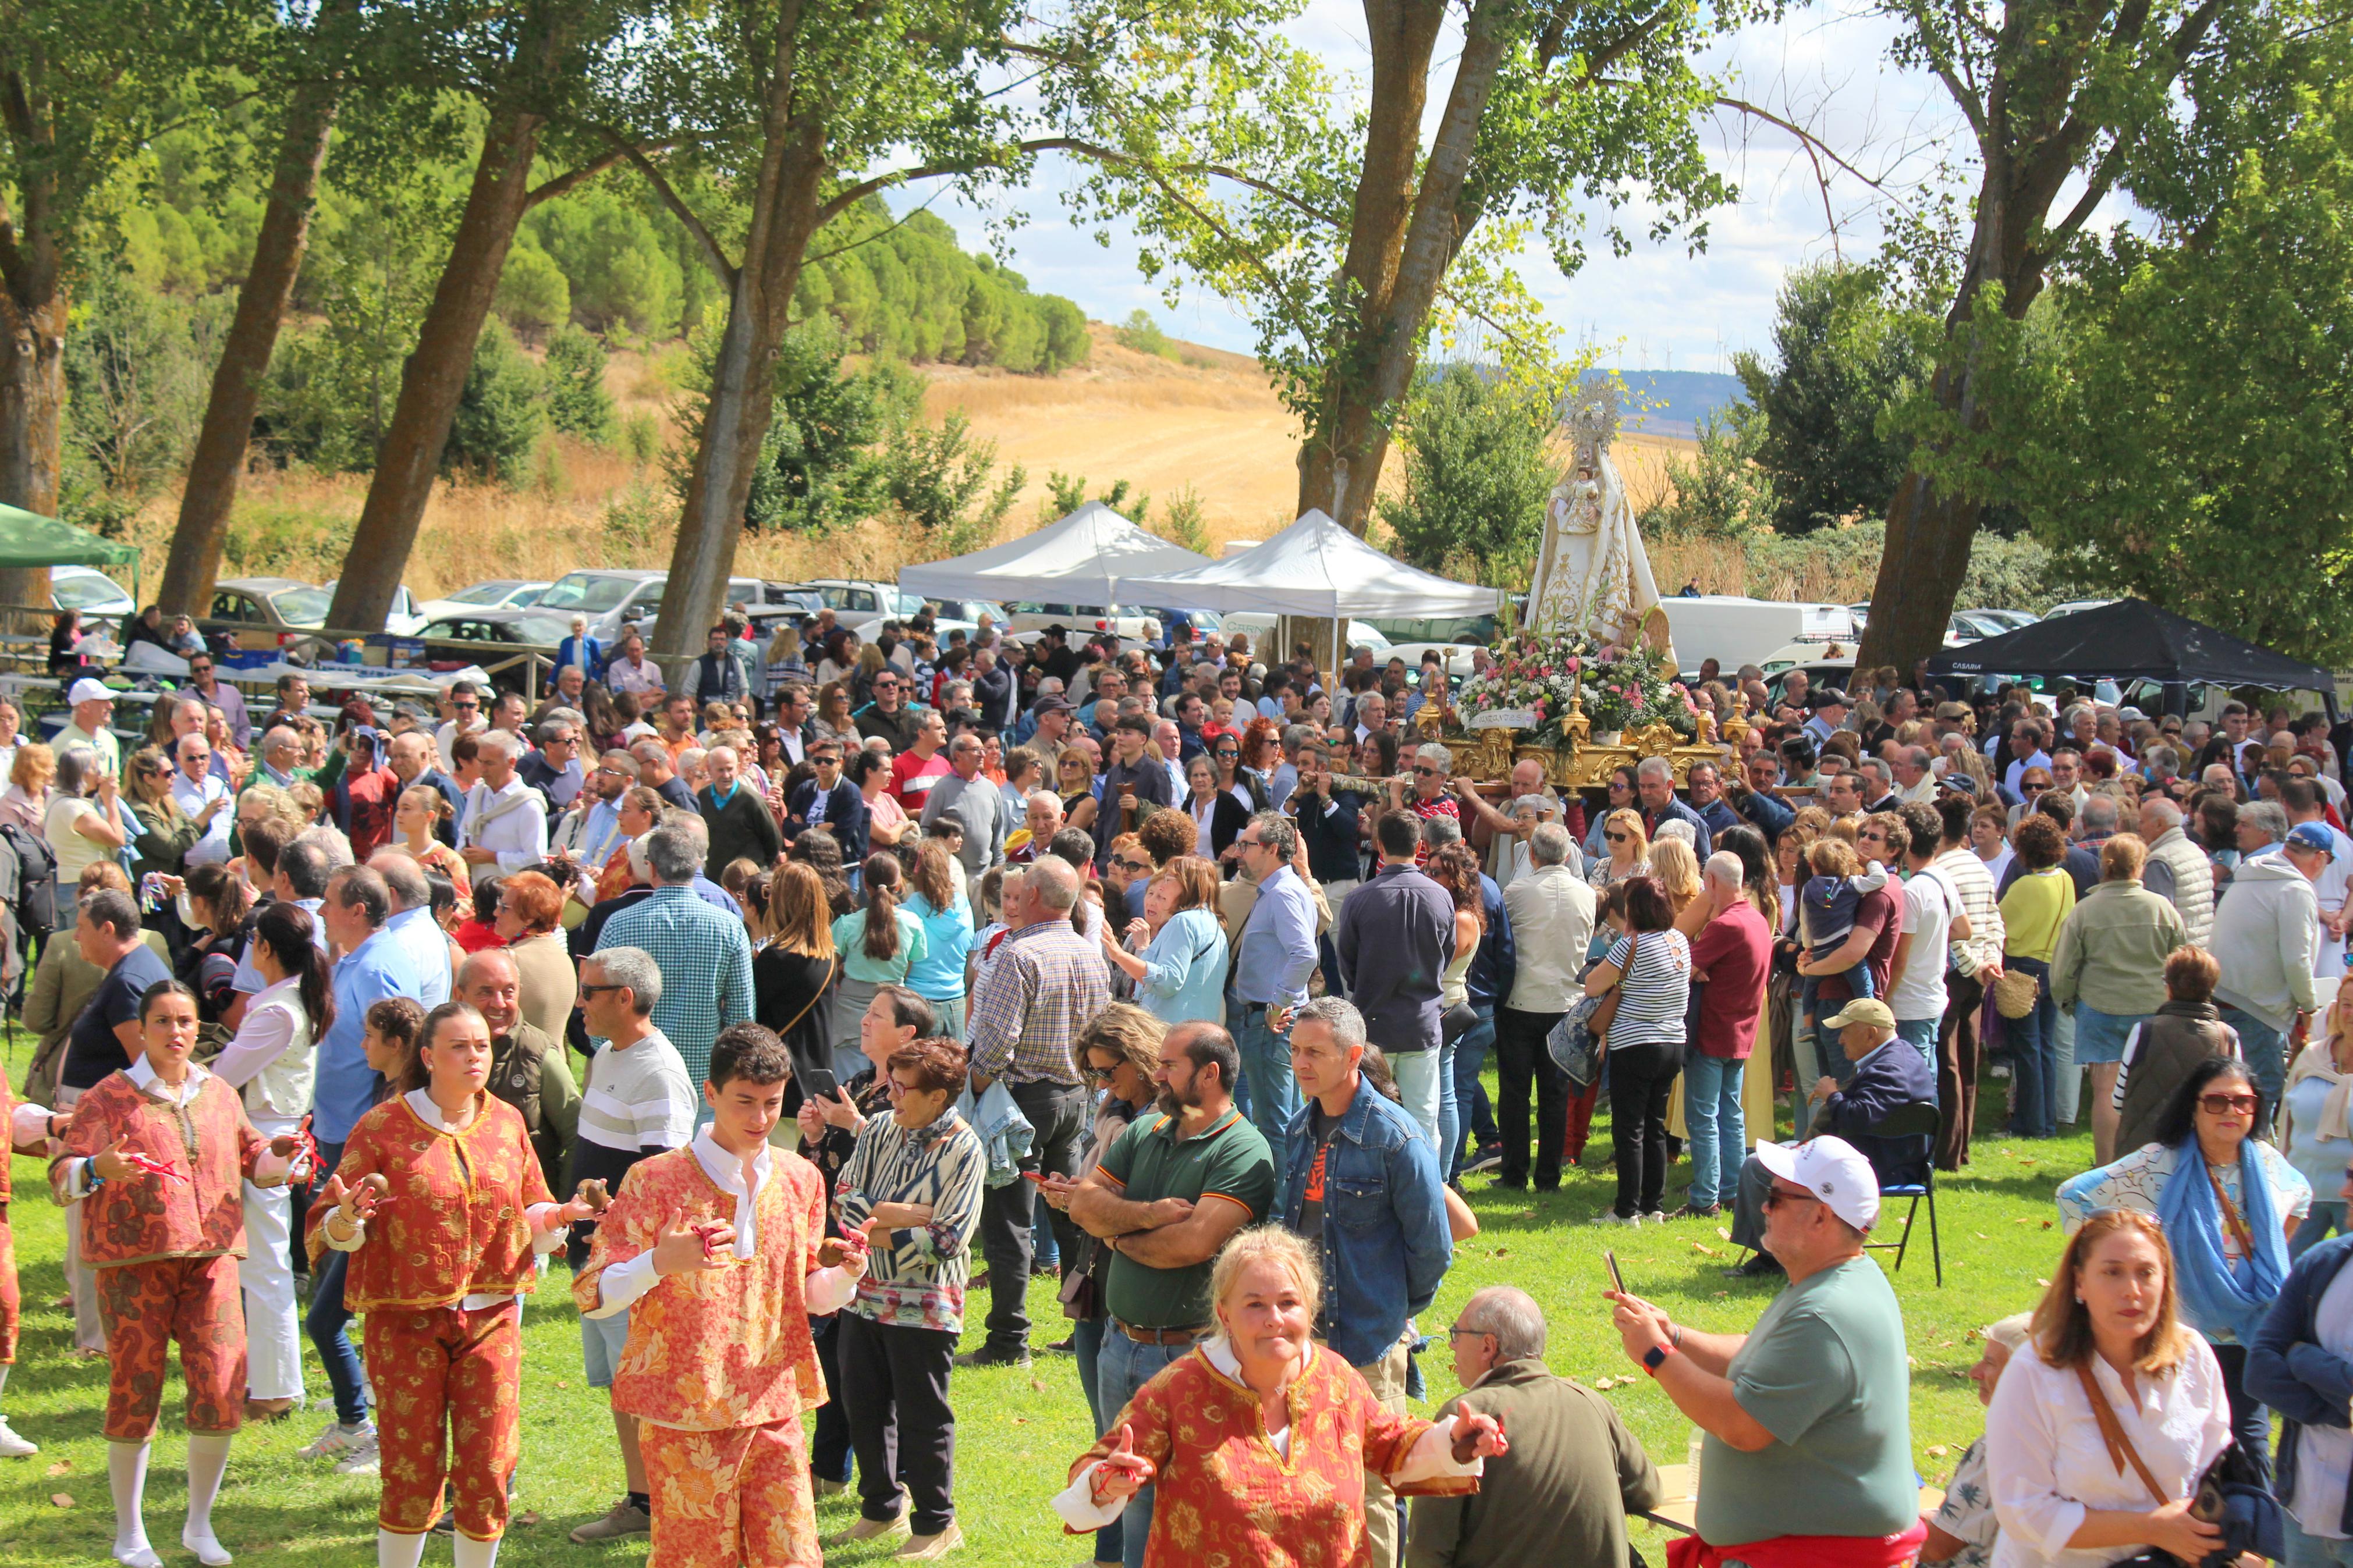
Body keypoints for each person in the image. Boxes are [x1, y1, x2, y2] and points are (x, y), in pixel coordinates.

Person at [314, 1001, 597, 1567]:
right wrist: (347, 1218)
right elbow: (331, 1227)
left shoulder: (507, 1122)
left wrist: (562, 1216)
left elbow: (530, 1214)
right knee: (411, 1470)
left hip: (491, 1318)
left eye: (482, 1046)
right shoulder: (382, 1127)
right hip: (404, 1322)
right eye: (459, 1046)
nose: (474, 1056)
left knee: (489, 1467)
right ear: (427, 1056)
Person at [576, 1023, 865, 1567]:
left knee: (794, 1556)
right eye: (745, 1102)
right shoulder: (653, 1180)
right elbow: (594, 1293)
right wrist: (660, 1261)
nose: (759, 1119)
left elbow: (806, 1295)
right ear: (710, 1094)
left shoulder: (801, 1178)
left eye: (772, 1103)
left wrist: (849, 1275)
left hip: (773, 1401)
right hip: (684, 1411)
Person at [1055, 1226, 1502, 1567]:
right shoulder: (1179, 1388)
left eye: (1288, 1302)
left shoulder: (1336, 1378)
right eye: (1254, 1304)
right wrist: (1107, 1480)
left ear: (1309, 1308)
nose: (1274, 1318)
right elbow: (1102, 1465)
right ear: (1224, 1314)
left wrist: (1455, 1440)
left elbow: (1392, 1445)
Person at [52, 978, 306, 1568]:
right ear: (142, 1030)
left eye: (186, 1021)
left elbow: (253, 1159)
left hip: (211, 1258)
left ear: (199, 1029)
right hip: (133, 1264)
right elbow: (63, 1175)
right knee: (135, 1389)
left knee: (220, 1389)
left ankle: (198, 1524)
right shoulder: (107, 1097)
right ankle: (130, 1533)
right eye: (163, 1021)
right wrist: (98, 1166)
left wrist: (283, 1155)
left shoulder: (219, 1092)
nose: (175, 1032)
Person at [1607, 1134, 1922, 1568]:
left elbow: (1742, 1424)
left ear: (1821, 1217)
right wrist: (1674, 1335)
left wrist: (1657, 1354)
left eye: (1776, 1197)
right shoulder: (1832, 1281)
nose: (1763, 1207)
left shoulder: (1825, 1313)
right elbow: (1756, 1356)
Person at [1063, 1021, 1278, 1568]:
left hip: (1191, 1355)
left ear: (1209, 1074)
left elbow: (1191, 1243)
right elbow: (1083, 1204)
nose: (1154, 1074)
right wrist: (1148, 1215)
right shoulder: (1149, 1128)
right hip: (1120, 1345)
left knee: (1191, 1499)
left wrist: (1114, 1231)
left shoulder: (1242, 1150)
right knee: (1124, 1484)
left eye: (1169, 1065)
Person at [2059, 1055, 2310, 1478]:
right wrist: (2128, 1256)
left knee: (2249, 1441)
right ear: (2192, 1108)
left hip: (2251, 1325)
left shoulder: (2266, 1162)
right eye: (2216, 1101)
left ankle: (2249, 1532)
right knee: (2182, 1437)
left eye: (2242, 1102)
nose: (2231, 1111)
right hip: (2181, 1329)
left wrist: (2272, 1250)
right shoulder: (2159, 1162)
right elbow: (2073, 1196)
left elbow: (2301, 1195)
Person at [1280, 997, 1456, 1568]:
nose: (1299, 1063)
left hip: (1368, 1343)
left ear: (1352, 1056)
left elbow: (1432, 1248)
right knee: (1304, 1476)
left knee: (1372, 1484)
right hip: (1299, 1342)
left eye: (1314, 1052)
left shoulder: (1396, 1138)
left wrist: (1390, 1313)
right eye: (1294, 1050)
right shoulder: (1297, 1128)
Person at [811, 1034, 986, 1560]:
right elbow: (843, 1199)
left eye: (903, 1088)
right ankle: (880, 1508)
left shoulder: (965, 1148)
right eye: (891, 1083)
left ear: (938, 1095)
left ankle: (936, 1523)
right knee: (861, 1405)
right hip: (862, 1296)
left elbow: (948, 1239)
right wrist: (900, 1214)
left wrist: (872, 1224)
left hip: (925, 1308)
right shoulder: (881, 1129)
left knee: (921, 1416)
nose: (891, 1096)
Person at [1985, 1210, 2237, 1568]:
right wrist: (2152, 1529)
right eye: (2112, 1272)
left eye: (2146, 1273)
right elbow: (2024, 1513)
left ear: (2165, 1280)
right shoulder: (2034, 1372)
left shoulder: (2193, 1355)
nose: (2132, 1291)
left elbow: (2218, 1470)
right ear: (2079, 1283)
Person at [561, 947, 695, 1546]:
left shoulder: (658, 1072)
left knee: (642, 1386)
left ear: (624, 997)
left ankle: (665, 1502)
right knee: (621, 1387)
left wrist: (615, 1228)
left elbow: (664, 1182)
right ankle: (644, 1499)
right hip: (597, 1262)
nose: (579, 1001)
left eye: (589, 991)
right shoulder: (609, 1053)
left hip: (628, 1269)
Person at [963, 855, 1109, 1366]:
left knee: (1009, 1223)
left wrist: (975, 1089)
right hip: (1073, 1096)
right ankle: (1085, 1326)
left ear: (1031, 897)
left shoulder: (1018, 954)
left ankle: (1008, 1339)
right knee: (1070, 1214)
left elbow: (996, 1041)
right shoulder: (1090, 953)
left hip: (1022, 1099)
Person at [1406, 1285, 1662, 1568]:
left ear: (1488, 1346)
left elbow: (1428, 1549)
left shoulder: (1466, 1417)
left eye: (1457, 1334)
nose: (1452, 1344)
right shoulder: (1593, 1403)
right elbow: (1648, 1491)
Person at [207, 903, 332, 1423]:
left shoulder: (278, 1009)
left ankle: (277, 1387)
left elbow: (223, 1075)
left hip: (265, 1140)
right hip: (267, 1135)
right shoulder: (285, 1001)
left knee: (265, 1264)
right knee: (262, 1262)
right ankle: (267, 1377)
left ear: (264, 948)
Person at [1726, 999, 1936, 1276]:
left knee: (1756, 1166)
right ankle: (1783, 1251)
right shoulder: (1900, 1055)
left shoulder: (1890, 1069)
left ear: (1871, 1033)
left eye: (1846, 1031)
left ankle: (1773, 1257)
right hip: (1887, 1162)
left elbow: (1859, 1117)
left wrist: (1832, 1095)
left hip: (1876, 1170)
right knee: (1770, 1158)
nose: (1840, 1040)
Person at [2049, 834, 2187, 1164]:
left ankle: (2106, 1165)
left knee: (2106, 1092)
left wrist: (2069, 1004)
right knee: (2155, 1092)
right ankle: (2153, 1163)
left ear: (2104, 867)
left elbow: (2063, 969)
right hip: (2154, 1010)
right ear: (2140, 867)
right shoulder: (2162, 908)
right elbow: (2181, 960)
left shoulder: (2086, 910)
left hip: (2100, 1008)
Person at [592, 821, 755, 1089]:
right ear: (697, 865)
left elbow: (596, 1003)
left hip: (631, 1071)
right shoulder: (728, 927)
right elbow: (741, 1016)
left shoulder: (619, 923)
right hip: (700, 1076)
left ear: (651, 868)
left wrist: (608, 1054)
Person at [1334, 810, 1457, 1143]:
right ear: (1419, 846)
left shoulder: (1360, 898)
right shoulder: (1441, 896)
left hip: (1376, 1023)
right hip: (1421, 1024)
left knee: (1368, 1120)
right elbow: (1446, 954)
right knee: (1424, 1123)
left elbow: (1347, 964)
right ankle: (1428, 1190)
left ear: (1379, 846)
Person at [1492, 822, 1595, 1192]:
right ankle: (1548, 1176)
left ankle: (1515, 1173)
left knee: (1515, 1091)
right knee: (1554, 1095)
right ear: (1567, 855)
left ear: (1532, 855)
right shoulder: (1586, 894)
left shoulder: (1516, 891)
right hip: (1565, 1003)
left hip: (1523, 1000)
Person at [1584, 875, 1690, 1225]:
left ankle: (1627, 1209)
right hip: (1673, 1042)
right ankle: (1653, 1205)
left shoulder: (1632, 945)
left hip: (1636, 1044)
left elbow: (1592, 985)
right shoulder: (1679, 941)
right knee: (1655, 1126)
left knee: (1629, 1129)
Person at [2209, 813, 2328, 1117]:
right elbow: (2296, 958)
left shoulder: (2253, 874)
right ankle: (2255, 1160)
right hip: (2257, 1008)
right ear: (2321, 858)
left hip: (2226, 996)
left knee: (2227, 1092)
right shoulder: (2296, 890)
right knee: (2262, 1092)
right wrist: (2310, 1007)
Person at [1681, 850, 1773, 1219]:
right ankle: (1733, 1190)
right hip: (1741, 1031)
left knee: (1703, 1117)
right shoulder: (1756, 920)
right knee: (1730, 1114)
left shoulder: (1726, 926)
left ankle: (1705, 1198)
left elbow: (1684, 965)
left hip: (1712, 1031)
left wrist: (1694, 961)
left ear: (1715, 882)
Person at [1228, 812, 1318, 1145]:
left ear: (1272, 849)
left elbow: (1306, 954)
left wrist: (1280, 1002)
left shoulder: (1282, 893)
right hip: (1275, 1021)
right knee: (1289, 1123)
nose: (1239, 853)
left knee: (1276, 1128)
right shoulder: (1280, 889)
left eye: (1246, 846)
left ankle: (1283, 1199)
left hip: (1272, 1023)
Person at [1918, 1313, 2033, 1568]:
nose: (1975, 1373)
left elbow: (1938, 1545)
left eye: (1990, 1363)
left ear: (2024, 1375)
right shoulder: (2061, 1437)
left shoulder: (1999, 1448)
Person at [1100, 855, 1227, 1027]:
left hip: (1170, 1032)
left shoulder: (1184, 921)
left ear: (1187, 884)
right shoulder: (1212, 922)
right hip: (1198, 1031)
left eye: (1169, 879)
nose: (1162, 887)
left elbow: (1167, 982)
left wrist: (1118, 954)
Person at [2285, 975, 2353, 1259]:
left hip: (2349, 1197)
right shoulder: (2313, 1056)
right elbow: (2284, 1124)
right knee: (2286, 1277)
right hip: (2303, 1189)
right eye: (2347, 1005)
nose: (2352, 1013)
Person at [47, 745, 129, 931]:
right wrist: (110, 800)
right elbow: (117, 838)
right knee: (82, 950)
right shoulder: (75, 809)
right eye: (93, 768)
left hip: (68, 884)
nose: (99, 772)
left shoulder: (57, 798)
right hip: (79, 887)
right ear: (80, 774)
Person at [903, 838, 976, 1037]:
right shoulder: (965, 908)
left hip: (917, 1008)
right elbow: (971, 960)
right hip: (958, 1007)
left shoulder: (904, 913)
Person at [457, 731, 549, 873]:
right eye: (480, 762)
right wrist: (463, 853)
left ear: (511, 762)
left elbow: (537, 859)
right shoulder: (478, 793)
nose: (482, 769)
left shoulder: (528, 805)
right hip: (477, 887)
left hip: (510, 890)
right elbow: (464, 832)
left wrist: (493, 858)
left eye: (489, 763)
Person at [694, 744, 781, 878]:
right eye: (720, 770)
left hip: (747, 880)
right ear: (709, 770)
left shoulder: (752, 800)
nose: (726, 775)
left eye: (730, 769)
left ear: (738, 769)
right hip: (715, 877)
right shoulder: (703, 797)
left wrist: (760, 869)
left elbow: (773, 840)